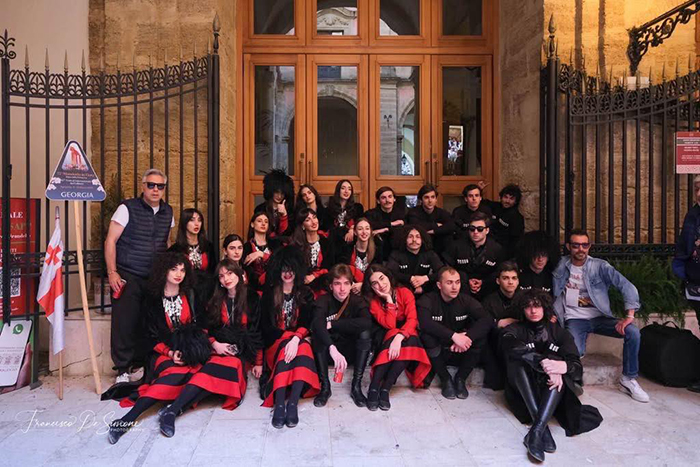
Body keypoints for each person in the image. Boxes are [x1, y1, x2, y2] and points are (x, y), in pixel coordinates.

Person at [107, 253, 209, 443]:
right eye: (174, 269)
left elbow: (202, 325)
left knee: (203, 374)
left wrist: (192, 349)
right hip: (162, 352)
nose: (179, 274)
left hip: (189, 351)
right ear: (164, 271)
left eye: (182, 270)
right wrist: (170, 353)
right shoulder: (152, 299)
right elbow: (147, 337)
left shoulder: (191, 294)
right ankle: (127, 419)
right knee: (176, 374)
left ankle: (171, 412)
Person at [501, 290, 602, 462]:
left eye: (537, 306)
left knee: (558, 370)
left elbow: (577, 368)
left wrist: (563, 367)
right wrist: (542, 361)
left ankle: (536, 431)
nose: (533, 311)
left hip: (551, 393)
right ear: (522, 309)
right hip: (523, 393)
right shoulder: (516, 329)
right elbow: (508, 343)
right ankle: (542, 429)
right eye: (528, 307)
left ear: (545, 308)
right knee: (518, 362)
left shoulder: (559, 333)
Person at [553, 229, 649, 403]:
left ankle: (628, 379)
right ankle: (573, 380)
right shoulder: (560, 265)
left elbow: (626, 286)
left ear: (589, 246)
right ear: (568, 246)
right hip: (575, 319)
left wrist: (629, 316)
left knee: (633, 332)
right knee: (575, 351)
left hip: (600, 318)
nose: (580, 249)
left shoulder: (599, 266)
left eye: (585, 245)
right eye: (576, 245)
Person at [105, 168, 175, 384]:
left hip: (154, 277)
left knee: (148, 323)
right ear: (143, 186)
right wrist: (112, 272)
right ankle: (122, 369)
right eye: (151, 185)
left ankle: (140, 365)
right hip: (129, 274)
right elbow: (110, 241)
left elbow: (167, 242)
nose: (155, 189)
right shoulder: (127, 208)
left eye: (160, 186)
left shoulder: (168, 212)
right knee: (124, 323)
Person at [259, 246, 319, 428]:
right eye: (284, 269)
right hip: (275, 344)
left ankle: (292, 403)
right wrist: (290, 338)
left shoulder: (305, 293)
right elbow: (266, 328)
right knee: (297, 346)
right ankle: (279, 403)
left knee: (304, 347)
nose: (287, 273)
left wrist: (295, 338)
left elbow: (307, 322)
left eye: (291, 269)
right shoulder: (269, 294)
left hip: (297, 342)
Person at [417, 267, 492, 400]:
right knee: (427, 336)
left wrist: (467, 337)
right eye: (449, 282)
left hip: (460, 348)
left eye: (457, 282)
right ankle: (445, 379)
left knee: (481, 337)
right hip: (438, 350)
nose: (454, 287)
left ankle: (461, 378)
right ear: (439, 285)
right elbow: (425, 323)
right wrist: (454, 336)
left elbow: (487, 319)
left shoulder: (465, 300)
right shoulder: (428, 299)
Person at [363, 265, 431, 410]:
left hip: (406, 333)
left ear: (388, 277)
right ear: (371, 287)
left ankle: (386, 388)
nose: (381, 285)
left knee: (412, 339)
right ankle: (374, 387)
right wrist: (388, 299)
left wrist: (399, 338)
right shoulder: (374, 302)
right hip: (384, 334)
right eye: (375, 283)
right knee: (396, 335)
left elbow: (412, 319)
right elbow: (390, 325)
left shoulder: (404, 292)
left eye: (382, 278)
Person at [311, 264, 373, 407]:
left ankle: (356, 386)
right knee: (318, 335)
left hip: (350, 350)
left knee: (365, 333)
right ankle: (325, 387)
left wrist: (333, 324)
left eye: (346, 283)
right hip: (329, 352)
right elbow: (317, 324)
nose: (342, 288)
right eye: (337, 284)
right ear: (331, 286)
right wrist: (331, 347)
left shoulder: (357, 301)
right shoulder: (323, 301)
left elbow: (366, 322)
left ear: (351, 285)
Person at [672, 175, 700, 393]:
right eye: (697, 188)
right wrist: (682, 271)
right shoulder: (693, 214)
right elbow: (684, 244)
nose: (699, 193)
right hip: (696, 279)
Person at [442, 211, 506, 301]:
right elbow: (446, 269)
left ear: (487, 230)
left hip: (488, 290)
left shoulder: (496, 249)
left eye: (480, 229)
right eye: (472, 229)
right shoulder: (456, 246)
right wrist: (464, 280)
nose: (475, 232)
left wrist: (483, 282)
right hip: (460, 289)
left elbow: (500, 272)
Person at [168, 208, 216, 309]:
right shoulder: (176, 249)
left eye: (199, 220)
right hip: (186, 290)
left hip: (207, 290)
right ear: (185, 223)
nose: (196, 224)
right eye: (192, 220)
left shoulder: (208, 246)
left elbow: (214, 270)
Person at [386, 224, 443, 297]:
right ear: (404, 239)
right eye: (410, 237)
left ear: (422, 239)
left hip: (426, 291)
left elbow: (442, 271)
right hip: (402, 292)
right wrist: (410, 278)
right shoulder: (396, 254)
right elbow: (390, 272)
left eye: (418, 237)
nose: (414, 240)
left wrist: (425, 278)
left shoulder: (429, 254)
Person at [291, 208, 335, 295]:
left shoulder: (326, 242)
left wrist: (314, 275)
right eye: (308, 220)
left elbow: (330, 266)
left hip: (323, 283)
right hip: (303, 285)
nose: (313, 222)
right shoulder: (297, 245)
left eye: (314, 217)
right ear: (303, 226)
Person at [406, 184, 455, 254]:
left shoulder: (442, 212)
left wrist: (433, 231)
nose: (430, 200)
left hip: (439, 247)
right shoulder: (414, 212)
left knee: (448, 237)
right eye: (426, 197)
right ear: (421, 200)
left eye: (433, 197)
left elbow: (451, 226)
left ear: (436, 199)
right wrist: (436, 225)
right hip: (420, 247)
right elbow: (416, 226)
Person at [482, 183, 525, 258]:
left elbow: (515, 241)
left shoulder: (517, 217)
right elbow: (481, 203)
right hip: (488, 248)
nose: (507, 201)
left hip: (504, 253)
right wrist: (480, 190)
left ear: (515, 201)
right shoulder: (495, 206)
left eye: (511, 199)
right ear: (501, 197)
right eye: (505, 197)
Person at [365, 186, 406, 262]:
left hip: (396, 252)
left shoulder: (402, 214)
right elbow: (371, 225)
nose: (387, 200)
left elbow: (402, 230)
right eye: (383, 198)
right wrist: (391, 224)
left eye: (390, 197)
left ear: (394, 199)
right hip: (377, 253)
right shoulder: (371, 214)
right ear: (378, 201)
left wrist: (385, 229)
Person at [340, 217, 381, 294]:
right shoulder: (347, 249)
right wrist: (353, 285)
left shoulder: (377, 251)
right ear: (355, 232)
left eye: (367, 228)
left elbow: (378, 273)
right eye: (360, 229)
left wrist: (363, 285)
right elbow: (342, 271)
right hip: (350, 287)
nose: (364, 232)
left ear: (370, 231)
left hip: (371, 288)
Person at [243, 212, 282, 292]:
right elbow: (246, 270)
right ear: (252, 224)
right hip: (253, 290)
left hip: (275, 287)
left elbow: (281, 263)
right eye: (259, 221)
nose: (263, 224)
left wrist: (262, 254)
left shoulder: (276, 243)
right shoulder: (246, 247)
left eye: (266, 222)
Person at [327, 179, 365, 258]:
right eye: (343, 188)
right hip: (335, 241)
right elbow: (329, 227)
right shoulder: (330, 208)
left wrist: (352, 229)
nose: (346, 191)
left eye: (349, 189)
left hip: (351, 240)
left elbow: (361, 222)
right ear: (338, 190)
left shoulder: (357, 207)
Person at [516, 230, 560, 295]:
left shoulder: (553, 277)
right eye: (536, 255)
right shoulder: (519, 275)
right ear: (529, 255)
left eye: (544, 255)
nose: (540, 259)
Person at [254, 169, 295, 239]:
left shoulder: (290, 210)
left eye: (282, 193)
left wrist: (284, 215)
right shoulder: (260, 208)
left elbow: (289, 233)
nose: (279, 196)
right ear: (271, 192)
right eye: (277, 192)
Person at [482, 261, 522, 329]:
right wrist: (497, 323)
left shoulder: (525, 298)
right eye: (505, 278)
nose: (510, 282)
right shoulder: (488, 302)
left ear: (518, 281)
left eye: (514, 278)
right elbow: (482, 324)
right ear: (498, 281)